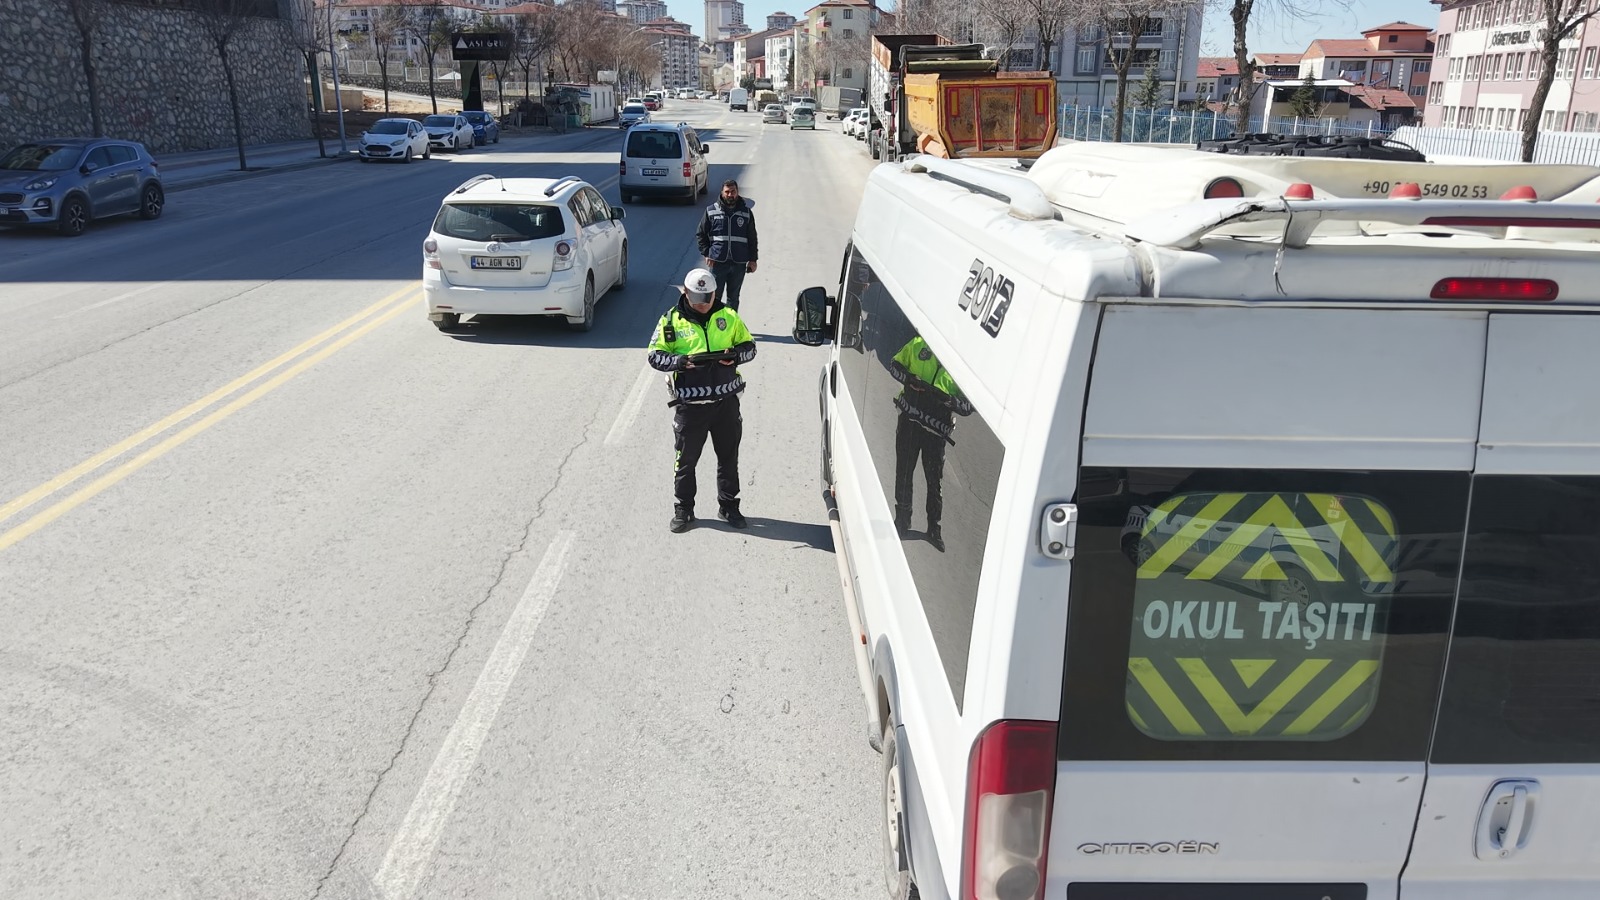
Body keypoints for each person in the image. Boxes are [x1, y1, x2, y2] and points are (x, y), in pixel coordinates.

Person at [647, 268, 758, 533]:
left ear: (714, 293)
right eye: (696, 298)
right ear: (685, 293)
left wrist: (736, 356)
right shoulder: (670, 321)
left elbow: (750, 347)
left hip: (726, 403)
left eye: (706, 298)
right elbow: (654, 355)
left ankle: (729, 506)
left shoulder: (729, 316)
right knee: (685, 462)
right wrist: (679, 362)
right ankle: (684, 509)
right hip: (691, 407)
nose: (702, 304)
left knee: (729, 459)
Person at [889, 334, 972, 552]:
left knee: (934, 482)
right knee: (904, 472)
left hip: (935, 434)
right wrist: (909, 380)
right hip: (909, 422)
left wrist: (950, 401)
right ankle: (902, 520)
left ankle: (934, 529)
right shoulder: (918, 344)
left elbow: (968, 406)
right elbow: (894, 365)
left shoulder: (962, 364)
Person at [696, 180, 758, 311]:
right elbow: (701, 234)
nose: (730, 195)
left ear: (737, 192)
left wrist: (753, 260)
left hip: (738, 263)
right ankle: (714, 327)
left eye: (733, 191)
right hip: (717, 262)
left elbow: (752, 238)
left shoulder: (746, 213)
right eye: (727, 192)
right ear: (722, 193)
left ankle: (731, 328)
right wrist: (707, 253)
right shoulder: (711, 211)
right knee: (714, 298)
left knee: (733, 298)